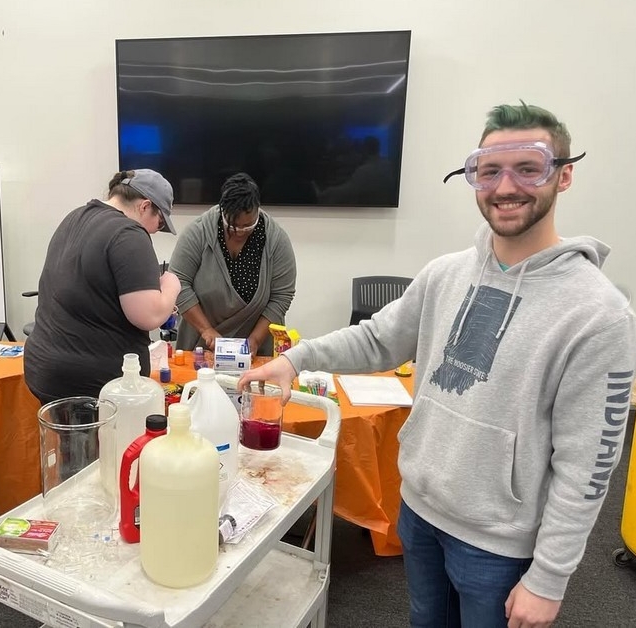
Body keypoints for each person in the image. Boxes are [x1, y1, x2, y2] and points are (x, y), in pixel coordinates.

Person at [240, 103, 636, 627]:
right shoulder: (445, 274)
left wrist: (549, 578)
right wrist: (295, 359)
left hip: (500, 542)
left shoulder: (598, 313)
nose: (505, 187)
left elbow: (590, 462)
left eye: (528, 168)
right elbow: (378, 339)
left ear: (563, 175)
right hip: (420, 512)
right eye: (489, 170)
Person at [24, 169, 181, 402]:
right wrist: (171, 286)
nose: (153, 232)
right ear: (145, 206)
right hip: (93, 384)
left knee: (64, 439)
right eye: (158, 224)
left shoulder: (76, 217)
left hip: (44, 367)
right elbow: (148, 315)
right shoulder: (129, 233)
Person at [169, 172, 296, 357]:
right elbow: (178, 283)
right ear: (222, 211)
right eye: (233, 226)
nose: (240, 232)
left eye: (248, 226)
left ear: (258, 210)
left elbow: (281, 297)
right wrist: (206, 331)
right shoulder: (198, 232)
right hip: (201, 345)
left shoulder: (276, 240)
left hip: (255, 350)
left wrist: (254, 341)